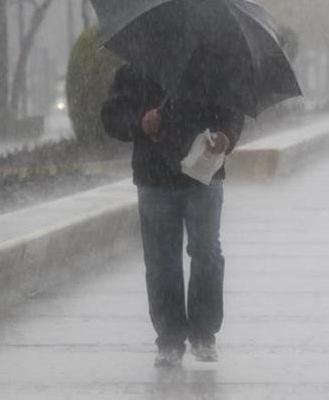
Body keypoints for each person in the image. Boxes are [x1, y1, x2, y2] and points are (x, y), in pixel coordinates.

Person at [101, 57, 244, 368]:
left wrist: (227, 136)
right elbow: (111, 115)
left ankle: (204, 333)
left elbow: (233, 110)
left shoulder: (214, 62)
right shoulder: (135, 68)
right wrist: (140, 122)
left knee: (206, 252)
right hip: (154, 178)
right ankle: (169, 338)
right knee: (161, 260)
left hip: (203, 175)